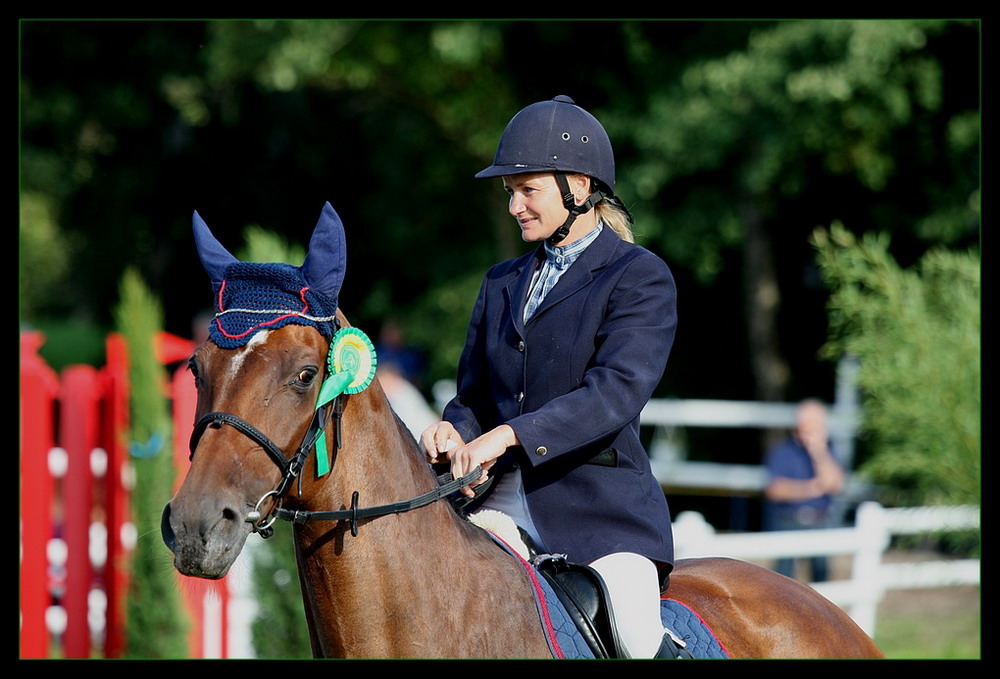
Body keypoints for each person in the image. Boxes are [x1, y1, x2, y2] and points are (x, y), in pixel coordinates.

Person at [420, 95, 678, 658]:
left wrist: (508, 436)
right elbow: (475, 394)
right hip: (498, 503)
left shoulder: (638, 277)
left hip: (600, 512)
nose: (514, 206)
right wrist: (453, 430)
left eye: (527, 189)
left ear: (578, 188)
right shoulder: (501, 280)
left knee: (635, 638)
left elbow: (614, 393)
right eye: (510, 191)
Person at [763, 399, 846, 582]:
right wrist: (811, 489)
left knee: (821, 577)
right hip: (788, 520)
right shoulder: (783, 451)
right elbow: (775, 489)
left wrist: (818, 451)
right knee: (782, 579)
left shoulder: (829, 451)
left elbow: (835, 484)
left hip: (820, 520)